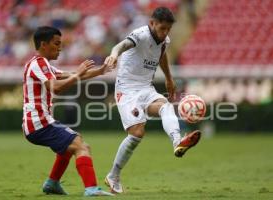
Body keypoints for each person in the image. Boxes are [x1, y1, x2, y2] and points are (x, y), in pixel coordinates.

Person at [103, 7, 201, 193]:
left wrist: (169, 78)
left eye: (168, 30)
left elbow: (161, 55)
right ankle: (113, 175)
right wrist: (113, 55)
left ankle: (177, 142)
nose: (165, 33)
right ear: (152, 23)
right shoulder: (140, 35)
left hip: (146, 88)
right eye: (162, 28)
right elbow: (120, 46)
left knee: (165, 107)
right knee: (137, 133)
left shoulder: (165, 40)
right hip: (127, 90)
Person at [22, 26, 113, 197]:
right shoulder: (39, 63)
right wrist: (77, 74)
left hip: (38, 122)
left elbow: (72, 75)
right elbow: (56, 87)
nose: (60, 47)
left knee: (67, 149)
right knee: (81, 145)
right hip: (38, 123)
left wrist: (100, 71)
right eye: (56, 43)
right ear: (43, 44)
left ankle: (52, 184)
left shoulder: (43, 65)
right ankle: (92, 189)